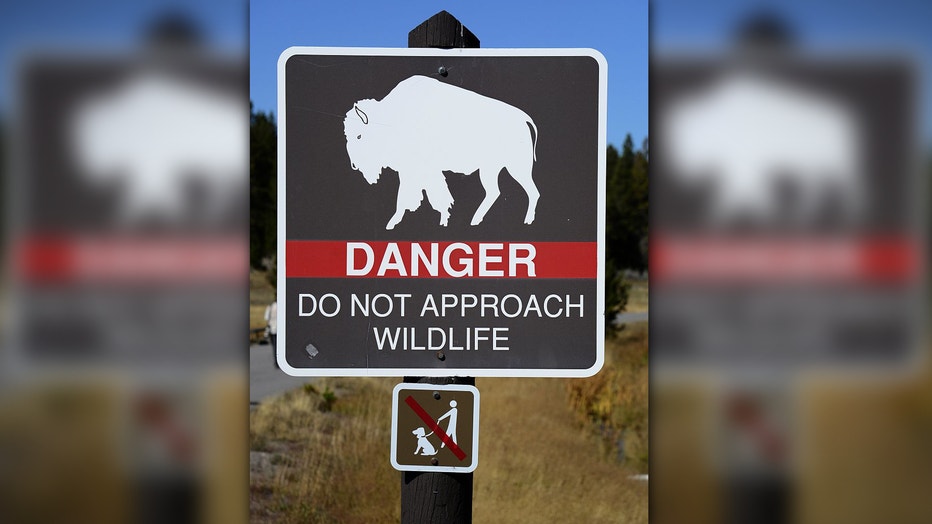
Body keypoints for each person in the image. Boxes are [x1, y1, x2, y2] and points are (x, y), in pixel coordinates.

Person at [264, 301, 278, 369]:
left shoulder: (270, 306)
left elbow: (266, 318)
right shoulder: (283, 305)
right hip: (281, 329)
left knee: (275, 347)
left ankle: (276, 362)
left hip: (273, 329)